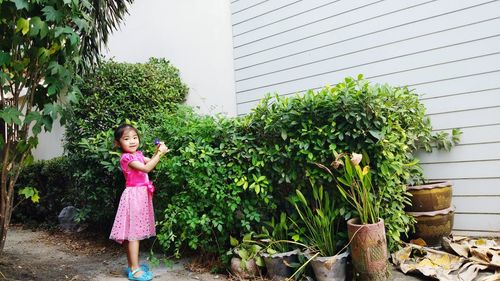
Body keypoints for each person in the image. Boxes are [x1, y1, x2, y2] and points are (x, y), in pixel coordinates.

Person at [109, 124, 169, 281]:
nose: (132, 141)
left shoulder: (138, 154)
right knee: (133, 234)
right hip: (134, 197)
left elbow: (152, 161)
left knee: (133, 234)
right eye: (127, 139)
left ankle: (132, 266)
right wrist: (159, 154)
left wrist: (159, 151)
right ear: (118, 143)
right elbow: (147, 168)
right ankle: (135, 270)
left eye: (135, 137)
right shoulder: (127, 158)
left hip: (141, 196)